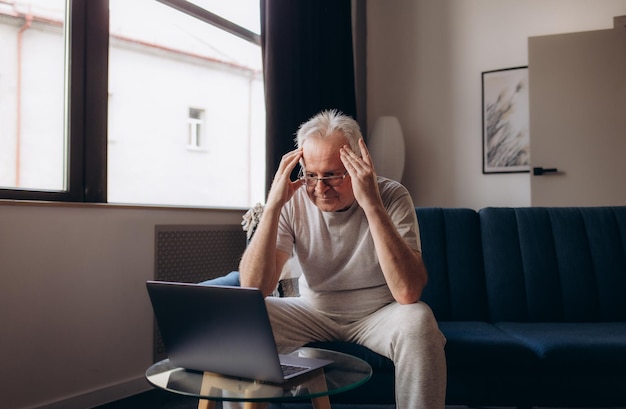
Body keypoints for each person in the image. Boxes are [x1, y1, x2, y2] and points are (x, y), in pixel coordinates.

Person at [239, 109, 447, 408]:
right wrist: (273, 206)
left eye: (332, 176)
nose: (320, 189)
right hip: (312, 310)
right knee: (244, 318)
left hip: (377, 315)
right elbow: (254, 288)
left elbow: (407, 292)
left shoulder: (392, 196)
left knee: (419, 320)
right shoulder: (293, 200)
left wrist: (371, 202)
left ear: (357, 165)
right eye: (311, 175)